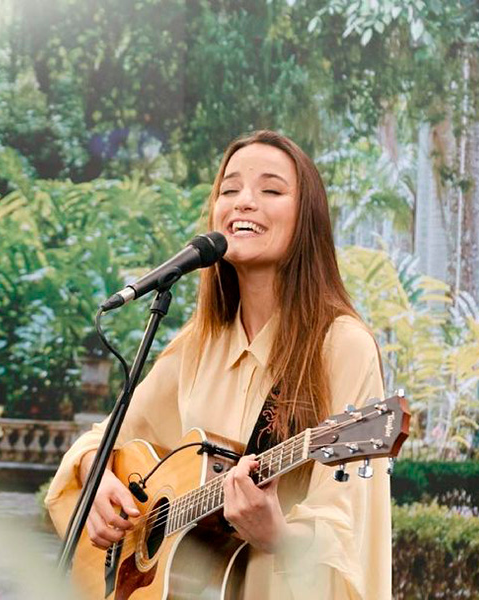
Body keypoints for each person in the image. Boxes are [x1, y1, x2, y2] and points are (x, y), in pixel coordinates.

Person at [46, 130, 392, 599]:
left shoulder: (341, 345)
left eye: (270, 190)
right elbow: (108, 436)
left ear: (306, 219)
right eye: (229, 190)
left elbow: (350, 523)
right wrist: (96, 476)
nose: (244, 201)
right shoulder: (200, 344)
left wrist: (277, 535)